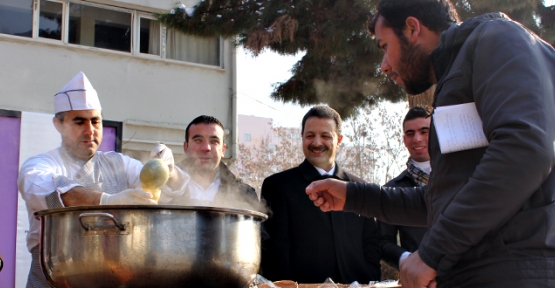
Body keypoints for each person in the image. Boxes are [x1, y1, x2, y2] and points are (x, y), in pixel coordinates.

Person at [306, 0, 555, 287]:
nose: (384, 66)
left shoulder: (499, 37)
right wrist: (354, 197)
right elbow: (444, 200)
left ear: (412, 28)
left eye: (384, 46)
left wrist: (431, 254)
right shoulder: (460, 73)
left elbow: (524, 152)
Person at [18, 72, 184, 288]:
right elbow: (52, 195)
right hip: (53, 280)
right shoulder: (39, 165)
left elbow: (167, 191)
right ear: (58, 124)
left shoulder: (119, 165)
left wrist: (167, 170)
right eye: (79, 122)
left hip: (114, 278)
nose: (90, 131)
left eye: (95, 121)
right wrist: (107, 200)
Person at [260, 105, 381, 284]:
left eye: (325, 136)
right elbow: (275, 251)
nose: (317, 143)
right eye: (310, 136)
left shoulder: (360, 188)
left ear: (339, 140)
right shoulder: (278, 186)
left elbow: (371, 244)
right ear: (302, 138)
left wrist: (370, 278)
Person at [159, 115, 262, 212]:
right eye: (198, 140)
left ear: (223, 150)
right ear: (186, 147)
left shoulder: (245, 195)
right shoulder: (160, 188)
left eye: (214, 142)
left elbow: (257, 230)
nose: (206, 148)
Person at [378, 106, 430, 271]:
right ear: (404, 140)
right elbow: (383, 242)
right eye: (410, 133)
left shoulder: (461, 180)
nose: (417, 139)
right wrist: (409, 260)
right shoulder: (390, 191)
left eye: (424, 131)